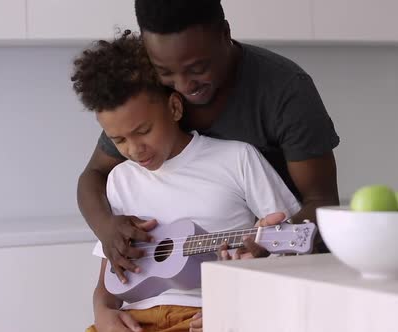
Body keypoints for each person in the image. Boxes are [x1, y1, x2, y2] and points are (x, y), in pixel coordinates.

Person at [77, 0, 340, 285]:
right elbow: (94, 174)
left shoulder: (284, 89)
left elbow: (321, 202)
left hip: (283, 270)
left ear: (224, 34)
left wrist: (271, 247)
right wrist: (106, 228)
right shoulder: (149, 82)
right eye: (166, 73)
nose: (183, 85)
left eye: (197, 68)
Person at [72, 31, 301, 332]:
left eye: (143, 131)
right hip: (135, 319)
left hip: (205, 314)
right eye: (119, 140)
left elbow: (292, 245)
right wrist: (102, 313)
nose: (133, 149)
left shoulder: (237, 159)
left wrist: (241, 305)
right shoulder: (119, 180)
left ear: (174, 108)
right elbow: (110, 279)